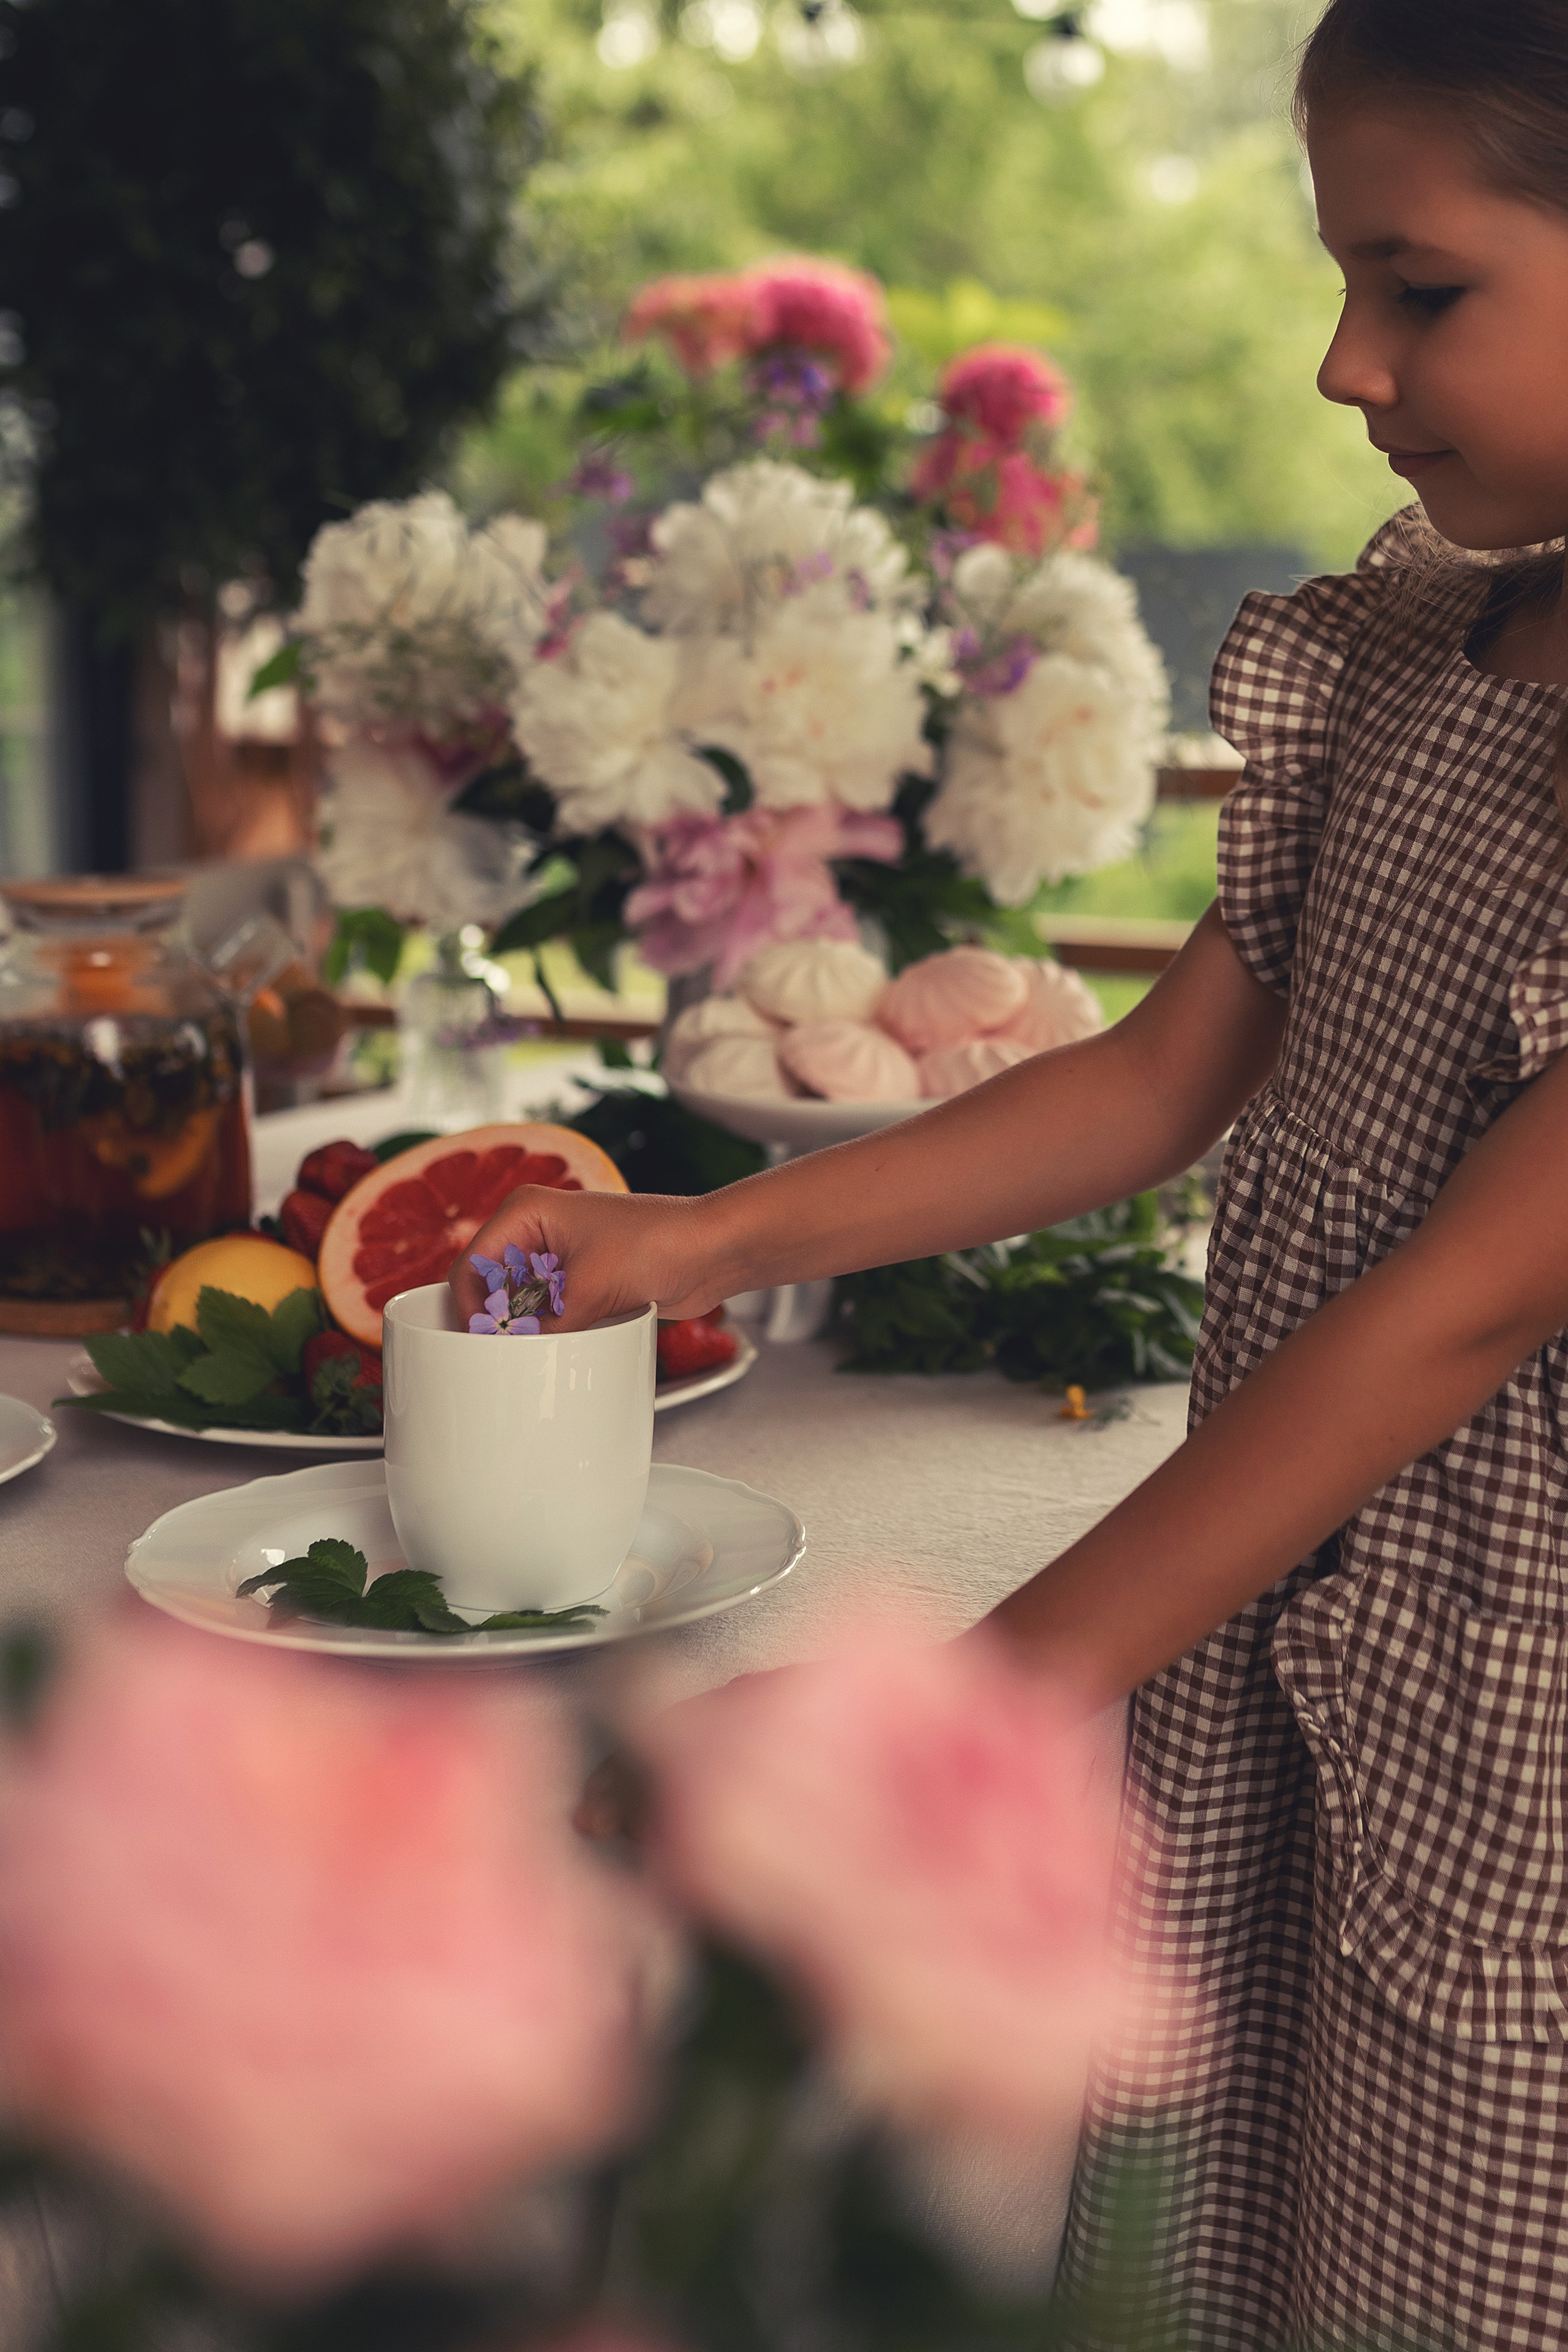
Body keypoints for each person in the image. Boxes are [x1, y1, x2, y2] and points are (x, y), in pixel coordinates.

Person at [454, 4, 1568, 2341]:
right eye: (1338, 277)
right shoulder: (1415, 650)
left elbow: (1458, 1309)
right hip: (1263, 1613)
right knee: (1221, 2239)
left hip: (1506, 1724)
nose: (1347, 363)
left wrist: (935, 1727)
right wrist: (714, 1231)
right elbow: (1164, 1076)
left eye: (1424, 283)